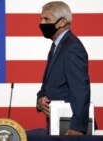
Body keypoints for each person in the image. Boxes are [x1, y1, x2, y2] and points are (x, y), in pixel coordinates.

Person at [36, 1, 91, 135]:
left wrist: (77, 127)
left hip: (69, 127)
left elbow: (80, 88)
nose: (42, 23)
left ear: (62, 22)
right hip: (57, 123)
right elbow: (50, 82)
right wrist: (40, 99)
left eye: (46, 19)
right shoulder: (57, 46)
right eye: (41, 19)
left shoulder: (72, 47)